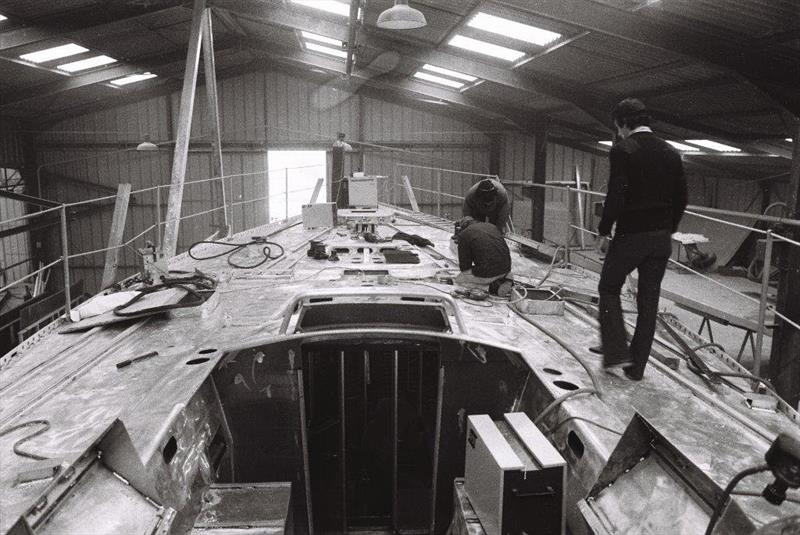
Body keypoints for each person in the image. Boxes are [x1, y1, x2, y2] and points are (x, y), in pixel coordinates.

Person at [596, 98, 688, 381]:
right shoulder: (671, 151)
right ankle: (637, 369)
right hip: (661, 239)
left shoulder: (624, 150)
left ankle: (616, 353)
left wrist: (604, 229)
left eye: (618, 127)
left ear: (624, 123)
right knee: (649, 302)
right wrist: (668, 228)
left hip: (631, 235)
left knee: (608, 287)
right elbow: (682, 198)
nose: (619, 133)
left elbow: (617, 194)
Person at [453, 216, 511, 288]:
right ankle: (503, 278)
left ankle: (492, 287)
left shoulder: (465, 234)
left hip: (488, 270)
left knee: (460, 280)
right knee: (487, 266)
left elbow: (464, 267)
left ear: (464, 226)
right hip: (507, 268)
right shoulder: (491, 226)